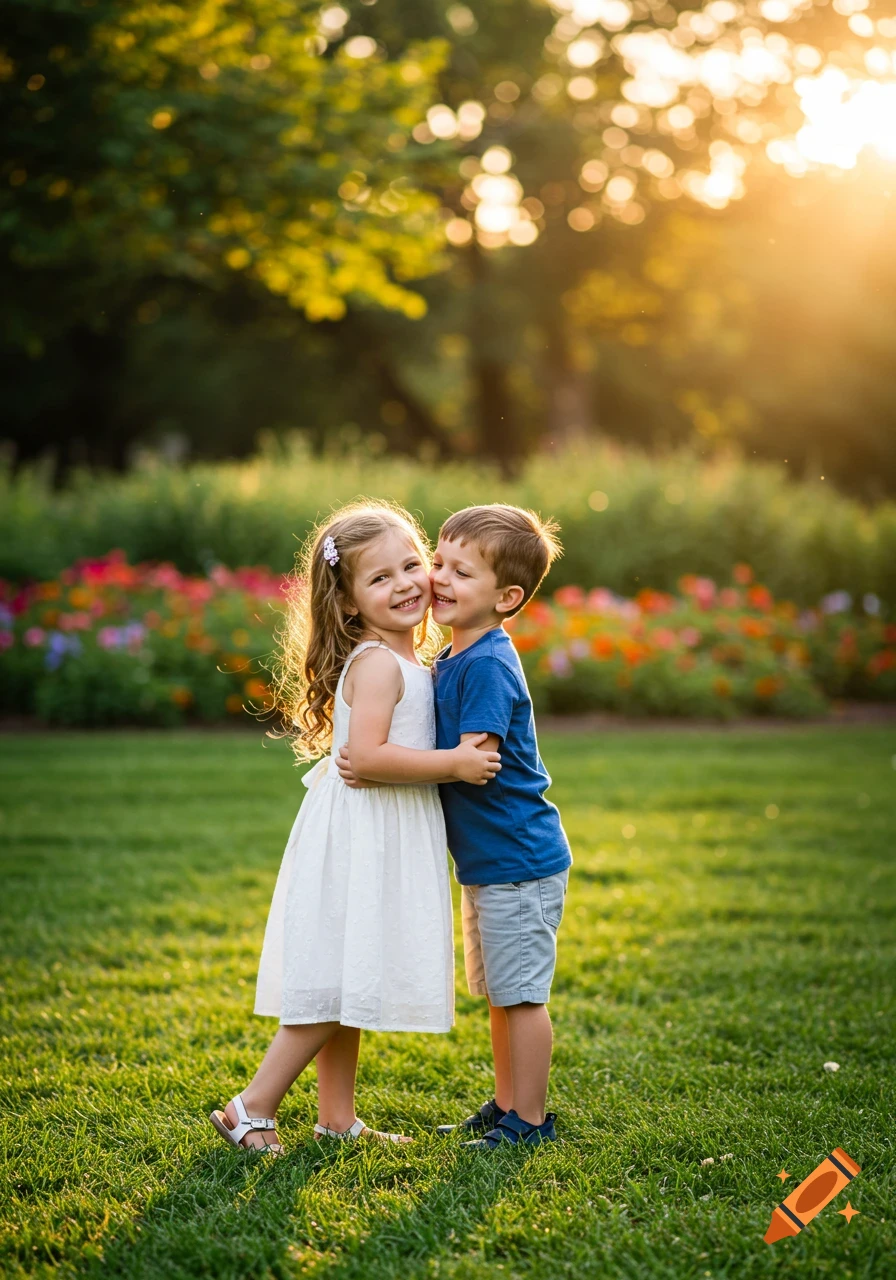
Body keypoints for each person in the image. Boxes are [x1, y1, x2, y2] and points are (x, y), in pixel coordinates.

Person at [209, 500, 501, 1155]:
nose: (403, 583)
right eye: (379, 578)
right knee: (335, 986)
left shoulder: (402, 661)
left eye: (410, 565)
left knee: (353, 974)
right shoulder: (375, 665)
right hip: (361, 840)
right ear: (347, 605)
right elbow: (364, 758)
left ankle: (336, 1119)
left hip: (378, 833)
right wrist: (453, 763)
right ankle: (250, 1107)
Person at [339, 503, 571, 1150]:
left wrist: (382, 768)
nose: (438, 578)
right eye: (437, 562)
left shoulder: (488, 664)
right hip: (490, 862)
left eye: (460, 572)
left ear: (507, 597)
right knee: (500, 992)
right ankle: (506, 1105)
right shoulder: (456, 656)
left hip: (519, 860)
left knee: (520, 996)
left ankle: (530, 1120)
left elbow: (472, 762)